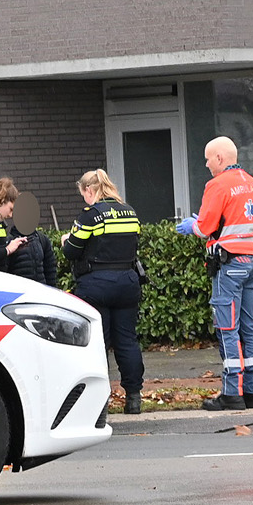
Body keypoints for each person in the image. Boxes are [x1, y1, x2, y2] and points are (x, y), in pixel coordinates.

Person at [177, 136, 253, 411]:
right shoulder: (251, 182)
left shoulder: (217, 185)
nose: (205, 164)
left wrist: (192, 224)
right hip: (252, 262)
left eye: (207, 158)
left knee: (228, 328)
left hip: (229, 267)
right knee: (251, 328)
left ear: (219, 158)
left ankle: (231, 393)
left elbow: (205, 228)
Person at [63, 169, 145, 414]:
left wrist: (66, 240)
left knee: (97, 345)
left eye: (83, 194)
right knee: (127, 341)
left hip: (96, 286)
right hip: (128, 283)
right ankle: (134, 398)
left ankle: (99, 404)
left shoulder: (91, 215)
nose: (84, 200)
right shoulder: (130, 211)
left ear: (90, 190)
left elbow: (72, 251)